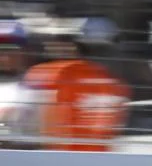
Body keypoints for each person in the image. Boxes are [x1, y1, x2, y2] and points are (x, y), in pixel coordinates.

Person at [16, 15, 129, 152]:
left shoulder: (47, 74)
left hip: (57, 161)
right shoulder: (116, 84)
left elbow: (27, 126)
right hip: (98, 163)